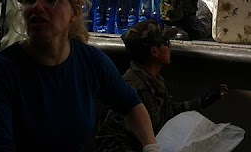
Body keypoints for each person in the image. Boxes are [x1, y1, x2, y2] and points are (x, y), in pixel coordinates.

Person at [0, 0, 159, 152]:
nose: (37, 6)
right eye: (30, 0)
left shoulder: (91, 61)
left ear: (75, 12)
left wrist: (151, 146)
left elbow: (131, 104)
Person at [96, 19, 228, 151]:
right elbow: (109, 139)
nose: (170, 46)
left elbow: (167, 111)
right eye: (167, 42)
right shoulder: (132, 88)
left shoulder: (153, 80)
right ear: (154, 51)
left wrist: (203, 101)